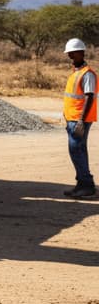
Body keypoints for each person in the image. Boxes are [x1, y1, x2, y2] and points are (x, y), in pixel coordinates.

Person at [61, 38, 96, 199]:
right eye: (69, 53)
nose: (70, 56)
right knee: (78, 150)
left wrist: (81, 120)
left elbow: (89, 97)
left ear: (81, 53)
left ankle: (87, 185)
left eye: (73, 53)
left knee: (76, 150)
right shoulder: (76, 72)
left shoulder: (87, 74)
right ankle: (82, 184)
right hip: (72, 118)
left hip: (79, 120)